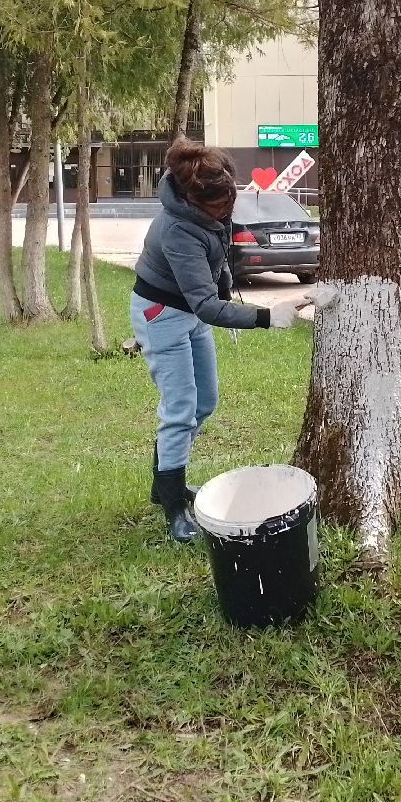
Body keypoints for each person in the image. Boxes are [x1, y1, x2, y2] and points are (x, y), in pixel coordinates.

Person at [131, 139, 309, 543]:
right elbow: (205, 305)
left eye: (231, 199)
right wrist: (267, 316)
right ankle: (174, 504)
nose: (228, 210)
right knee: (180, 410)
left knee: (204, 402)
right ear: (194, 200)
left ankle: (165, 483)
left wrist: (225, 288)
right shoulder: (177, 229)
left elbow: (218, 258)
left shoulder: (215, 203)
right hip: (162, 314)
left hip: (192, 311)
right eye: (220, 206)